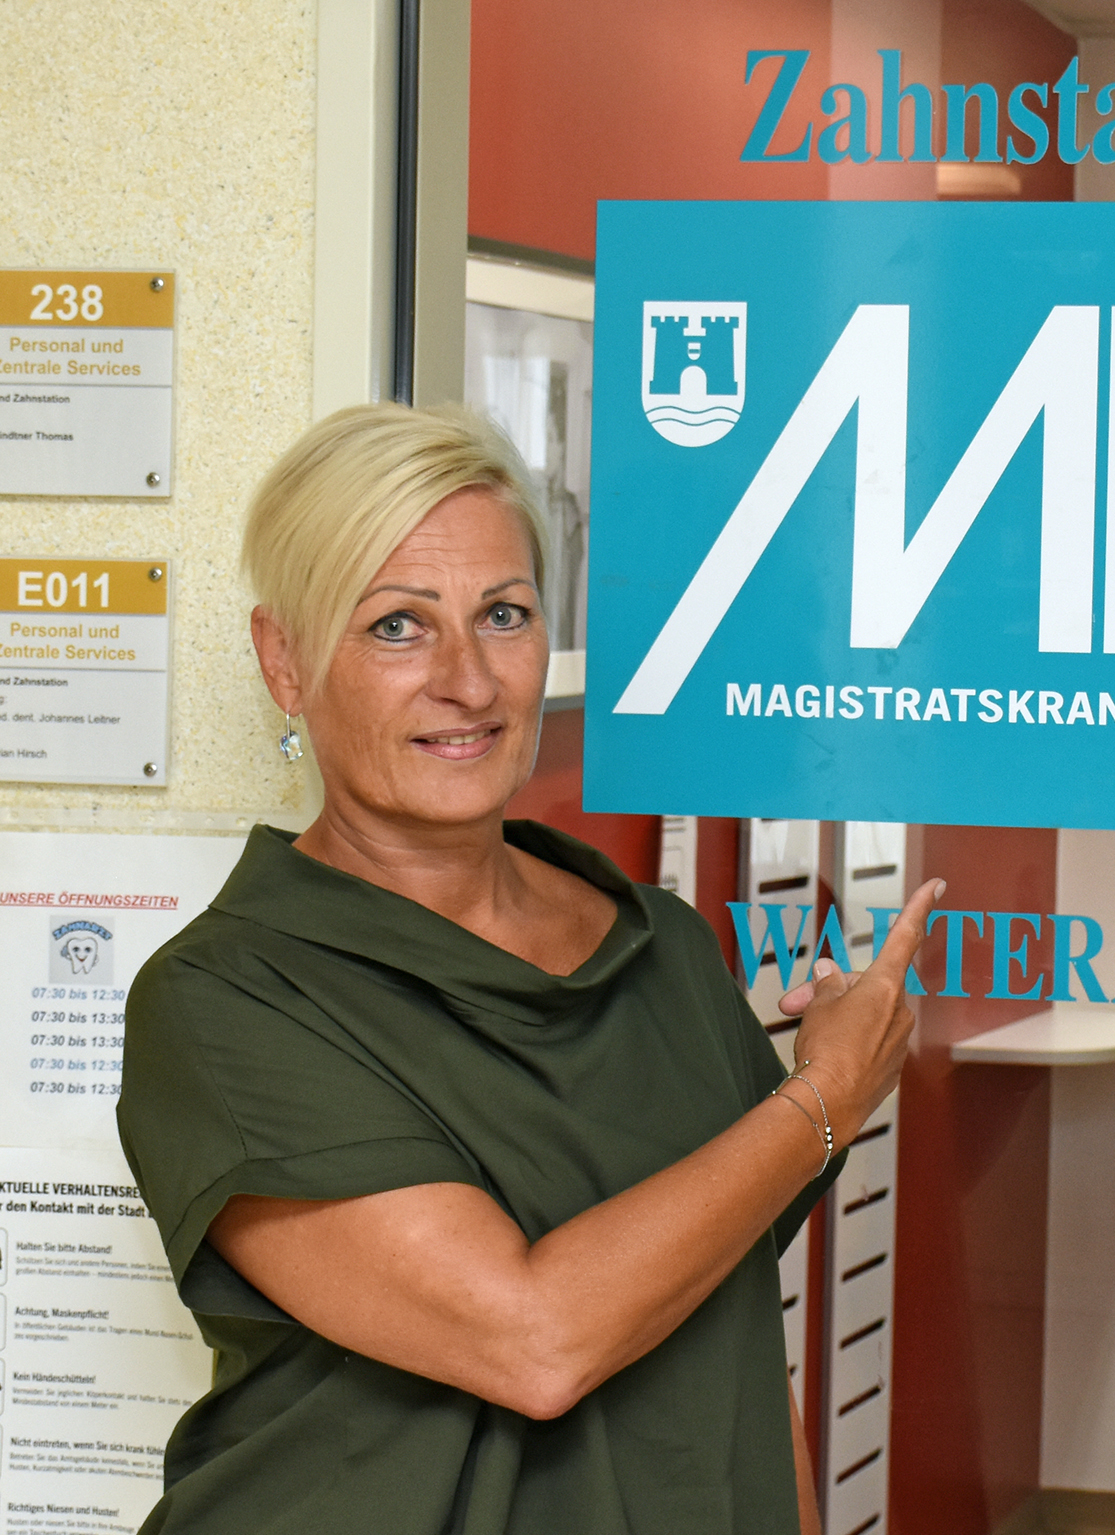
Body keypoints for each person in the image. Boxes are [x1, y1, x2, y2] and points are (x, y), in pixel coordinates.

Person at [116, 403, 938, 1535]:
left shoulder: (661, 945)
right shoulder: (231, 1000)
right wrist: (827, 1094)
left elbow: (737, 1348)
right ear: (284, 660)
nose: (468, 680)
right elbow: (533, 1338)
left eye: (502, 614)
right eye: (397, 626)